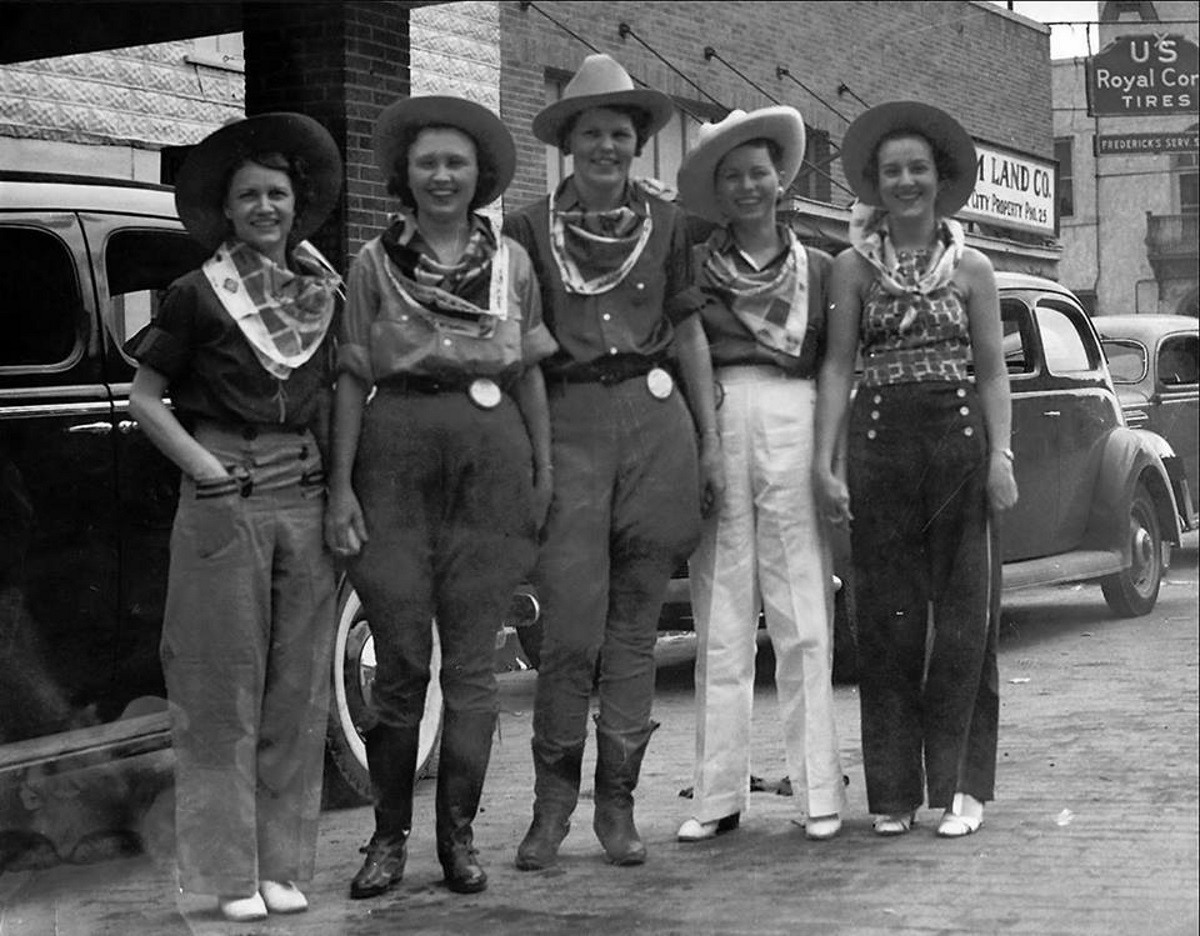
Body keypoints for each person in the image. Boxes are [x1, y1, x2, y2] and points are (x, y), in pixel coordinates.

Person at [324, 95, 556, 898]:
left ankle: (457, 838)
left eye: (456, 161)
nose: (442, 175)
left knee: (472, 666)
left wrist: (543, 472)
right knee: (400, 662)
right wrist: (341, 489)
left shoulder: (511, 263)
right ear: (406, 174)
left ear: (478, 174)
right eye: (427, 162)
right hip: (394, 457)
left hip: (491, 460)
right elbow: (351, 376)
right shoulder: (373, 263)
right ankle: (387, 840)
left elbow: (529, 374)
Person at [504, 53, 723, 871]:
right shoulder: (525, 231)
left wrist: (709, 442)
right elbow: (518, 354)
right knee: (568, 630)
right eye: (592, 132)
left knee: (634, 628)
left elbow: (690, 334)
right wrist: (534, 461)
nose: (606, 146)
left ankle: (618, 806)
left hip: (655, 424)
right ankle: (550, 810)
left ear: (637, 142)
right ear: (568, 142)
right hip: (567, 423)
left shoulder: (669, 226)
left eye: (620, 134)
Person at [125, 113, 343, 921]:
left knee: (295, 687)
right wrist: (204, 465)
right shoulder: (196, 293)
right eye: (248, 195)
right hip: (227, 493)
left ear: (297, 203)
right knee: (222, 686)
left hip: (304, 494)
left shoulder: (319, 295)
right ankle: (228, 876)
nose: (264, 207)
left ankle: (281, 867)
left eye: (276, 194)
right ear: (226, 207)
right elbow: (146, 399)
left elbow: (335, 401)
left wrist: (340, 488)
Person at [812, 101, 1018, 838]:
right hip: (879, 446)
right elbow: (838, 368)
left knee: (966, 622)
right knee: (886, 622)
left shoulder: (974, 268)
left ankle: (964, 788)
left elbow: (992, 372)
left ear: (940, 179)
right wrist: (827, 463)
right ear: (876, 182)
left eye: (918, 169)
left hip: (958, 444)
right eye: (893, 171)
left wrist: (1000, 456)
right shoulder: (850, 268)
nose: (906, 182)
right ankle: (894, 793)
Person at [673, 106, 845, 844]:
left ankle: (818, 793)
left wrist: (827, 457)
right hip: (718, 416)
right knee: (721, 610)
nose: (747, 187)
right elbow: (687, 344)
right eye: (732, 177)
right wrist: (706, 440)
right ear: (717, 191)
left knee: (802, 604)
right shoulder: (693, 266)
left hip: (795, 414)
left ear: (782, 181)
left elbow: (836, 365)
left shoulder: (822, 268)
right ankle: (717, 797)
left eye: (759, 173)